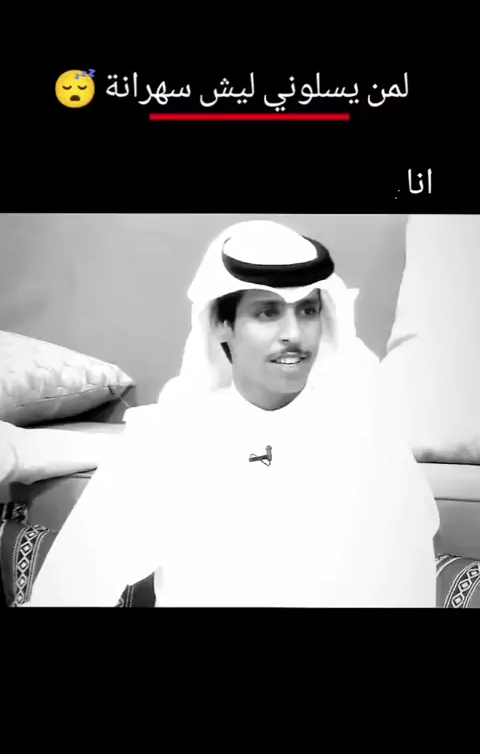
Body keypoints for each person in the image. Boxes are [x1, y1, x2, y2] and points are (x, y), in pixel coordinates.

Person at [28, 220, 440, 608]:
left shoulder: (369, 443)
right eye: (267, 312)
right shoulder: (165, 439)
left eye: (308, 311)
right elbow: (68, 587)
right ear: (221, 324)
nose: (293, 334)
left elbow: (407, 588)